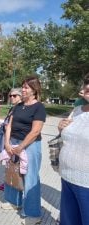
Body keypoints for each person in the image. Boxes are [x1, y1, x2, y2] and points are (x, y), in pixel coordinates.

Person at [1, 76, 46, 225]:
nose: (23, 90)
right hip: (13, 142)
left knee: (30, 177)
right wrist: (7, 143)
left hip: (30, 146)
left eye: (26, 87)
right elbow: (9, 125)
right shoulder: (18, 106)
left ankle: (33, 213)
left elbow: (35, 131)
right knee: (13, 172)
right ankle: (14, 201)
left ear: (34, 90)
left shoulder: (39, 107)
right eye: (23, 87)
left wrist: (20, 147)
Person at [58, 74, 89, 225]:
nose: (88, 86)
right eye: (86, 82)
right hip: (67, 177)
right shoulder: (77, 110)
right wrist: (60, 128)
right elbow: (67, 136)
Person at [0, 88, 22, 191]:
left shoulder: (21, 108)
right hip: (8, 138)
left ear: (20, 96)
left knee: (15, 162)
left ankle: (13, 183)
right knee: (9, 161)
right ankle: (8, 181)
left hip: (15, 139)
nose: (11, 97)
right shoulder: (13, 108)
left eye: (14, 96)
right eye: (10, 95)